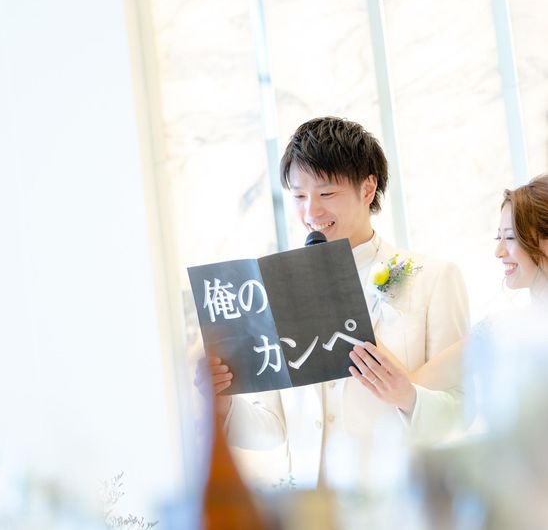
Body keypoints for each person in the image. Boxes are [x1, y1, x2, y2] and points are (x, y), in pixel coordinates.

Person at [209, 117, 470, 489]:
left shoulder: (433, 278)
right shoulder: (273, 290)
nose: (311, 213)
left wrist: (407, 396)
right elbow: (274, 428)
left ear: (368, 188)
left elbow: (463, 411)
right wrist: (224, 405)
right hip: (311, 504)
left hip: (397, 498)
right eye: (299, 196)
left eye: (326, 194)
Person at [350, 174, 548, 419]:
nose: (498, 252)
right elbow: (413, 386)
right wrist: (357, 324)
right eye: (499, 238)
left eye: (510, 238)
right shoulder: (499, 330)